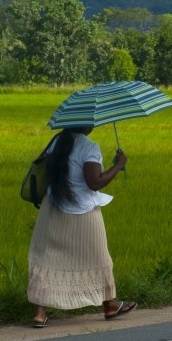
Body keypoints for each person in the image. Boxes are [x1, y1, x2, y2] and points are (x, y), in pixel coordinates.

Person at [27, 126, 137, 327]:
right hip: (84, 213)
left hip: (52, 209)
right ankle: (110, 305)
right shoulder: (89, 147)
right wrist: (118, 165)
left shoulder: (56, 142)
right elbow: (94, 183)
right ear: (86, 125)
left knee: (45, 257)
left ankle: (40, 314)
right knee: (98, 257)